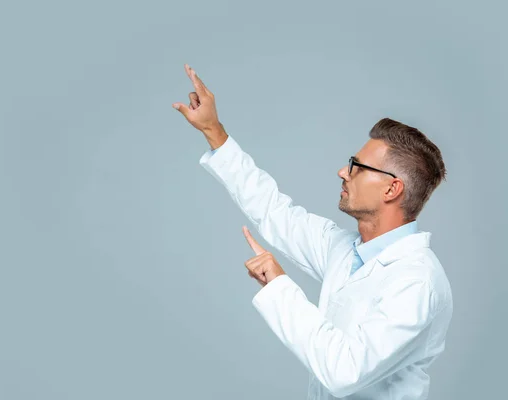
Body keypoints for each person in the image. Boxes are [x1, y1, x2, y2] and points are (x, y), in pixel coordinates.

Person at [172, 64, 453, 400]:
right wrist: (214, 131)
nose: (342, 172)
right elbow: (273, 210)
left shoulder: (416, 282)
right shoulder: (346, 250)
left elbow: (345, 373)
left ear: (392, 189)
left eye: (357, 167)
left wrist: (279, 287)